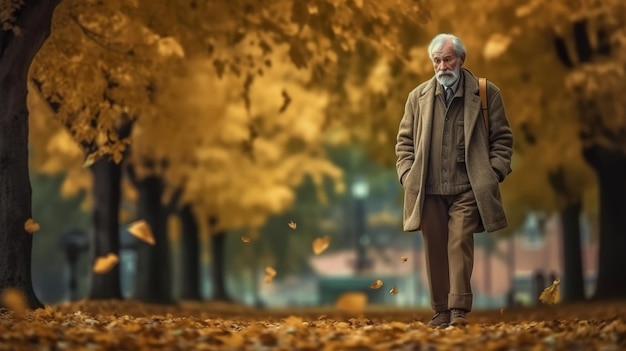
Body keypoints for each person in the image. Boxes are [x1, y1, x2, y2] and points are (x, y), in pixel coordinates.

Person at [395, 33, 513, 327]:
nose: (442, 66)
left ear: (461, 59)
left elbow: (503, 140)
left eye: (448, 59)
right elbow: (404, 143)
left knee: (459, 242)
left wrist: (493, 173)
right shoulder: (417, 97)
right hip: (429, 188)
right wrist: (407, 175)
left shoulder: (486, 93)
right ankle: (440, 311)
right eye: (436, 60)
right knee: (435, 246)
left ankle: (458, 309)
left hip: (468, 189)